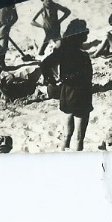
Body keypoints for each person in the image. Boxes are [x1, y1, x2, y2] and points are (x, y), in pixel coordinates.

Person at [42, 19, 94, 151]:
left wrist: (50, 80)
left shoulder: (63, 51)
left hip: (66, 92)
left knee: (66, 134)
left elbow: (44, 64)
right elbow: (87, 78)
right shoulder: (83, 56)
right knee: (79, 137)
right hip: (81, 95)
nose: (87, 36)